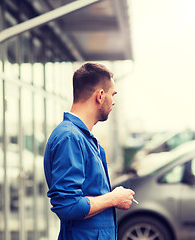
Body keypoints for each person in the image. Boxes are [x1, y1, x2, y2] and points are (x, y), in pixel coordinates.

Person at [44, 62, 135, 239]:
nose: (114, 101)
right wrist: (113, 198)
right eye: (112, 94)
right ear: (100, 95)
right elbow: (68, 205)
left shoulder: (83, 137)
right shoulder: (69, 138)